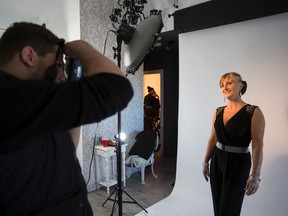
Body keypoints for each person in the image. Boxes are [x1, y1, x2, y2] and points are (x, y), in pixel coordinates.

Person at [0, 22, 133, 215]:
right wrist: (81, 48)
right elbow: (118, 88)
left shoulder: (30, 102)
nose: (61, 77)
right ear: (29, 56)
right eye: (58, 66)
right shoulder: (10, 97)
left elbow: (68, 145)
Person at [202, 72, 265, 216]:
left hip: (238, 163)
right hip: (217, 161)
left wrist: (255, 177)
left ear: (241, 85)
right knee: (218, 208)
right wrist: (205, 162)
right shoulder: (218, 111)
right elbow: (213, 139)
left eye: (229, 82)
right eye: (222, 85)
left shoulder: (253, 111)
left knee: (229, 210)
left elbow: (257, 145)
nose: (225, 86)